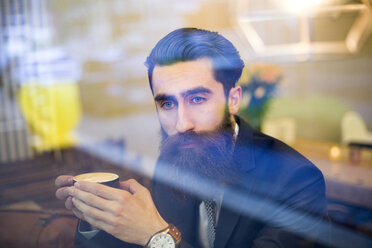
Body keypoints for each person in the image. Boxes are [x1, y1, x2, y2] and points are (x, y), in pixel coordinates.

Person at [55, 28, 328, 248]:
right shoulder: (174, 159)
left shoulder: (297, 180)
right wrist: (97, 217)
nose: (182, 124)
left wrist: (157, 236)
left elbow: (151, 237)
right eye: (167, 105)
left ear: (233, 100)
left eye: (197, 99)